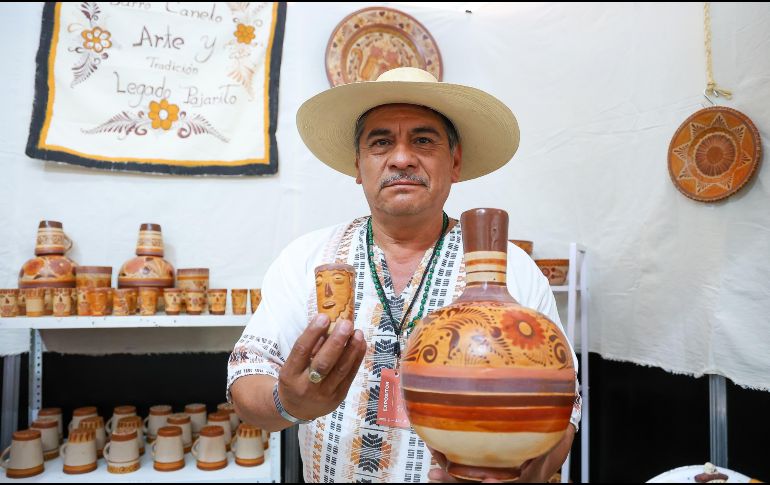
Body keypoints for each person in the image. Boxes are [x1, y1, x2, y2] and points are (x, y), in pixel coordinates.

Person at [228, 67, 581, 483]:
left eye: (423, 140)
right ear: (358, 166)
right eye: (380, 142)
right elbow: (246, 376)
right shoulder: (307, 259)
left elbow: (565, 405)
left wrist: (530, 474)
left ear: (455, 162)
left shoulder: (512, 269)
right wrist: (288, 403)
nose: (401, 158)